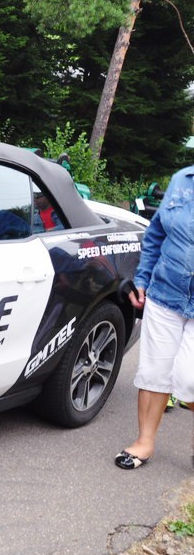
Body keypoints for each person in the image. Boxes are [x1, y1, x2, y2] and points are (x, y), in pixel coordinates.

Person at [115, 163, 194, 470]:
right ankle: (144, 442)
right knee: (154, 372)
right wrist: (143, 279)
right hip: (165, 293)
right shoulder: (181, 180)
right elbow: (156, 233)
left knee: (189, 379)